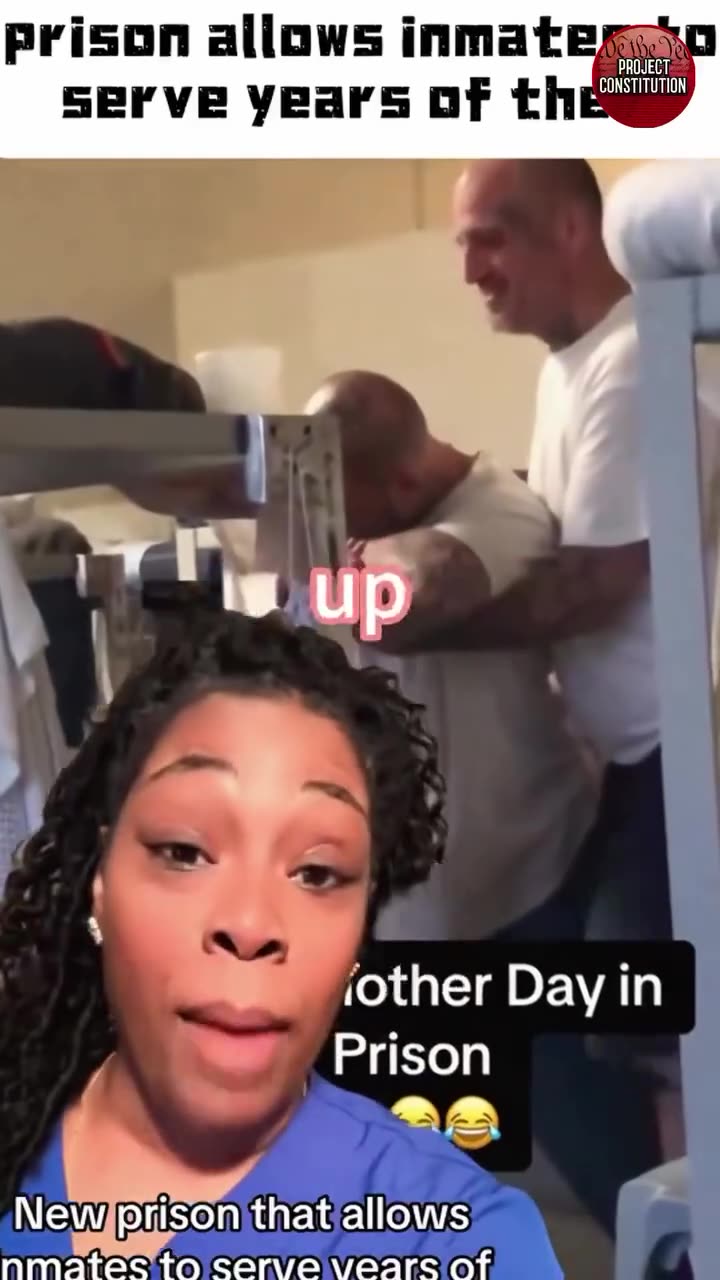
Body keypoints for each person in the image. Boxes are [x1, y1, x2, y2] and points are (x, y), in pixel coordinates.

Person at [0, 608, 561, 1279]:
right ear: (101, 881)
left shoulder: (454, 1242)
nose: (250, 923)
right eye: (184, 851)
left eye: (318, 874)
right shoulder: (20, 1125)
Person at [446, 159, 720, 1242]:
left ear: (571, 229)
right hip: (626, 758)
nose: (472, 270)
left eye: (492, 237)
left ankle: (688, 1243)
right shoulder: (572, 369)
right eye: (463, 244)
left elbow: (594, 581)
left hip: (675, 756)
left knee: (648, 1028)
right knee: (561, 1008)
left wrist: (398, 619)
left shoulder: (630, 362)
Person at [304, 370, 597, 942]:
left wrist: (348, 563)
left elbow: (402, 603)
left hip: (527, 892)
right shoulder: (350, 521)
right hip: (406, 912)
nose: (332, 528)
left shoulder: (503, 511)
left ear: (405, 484)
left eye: (345, 512)